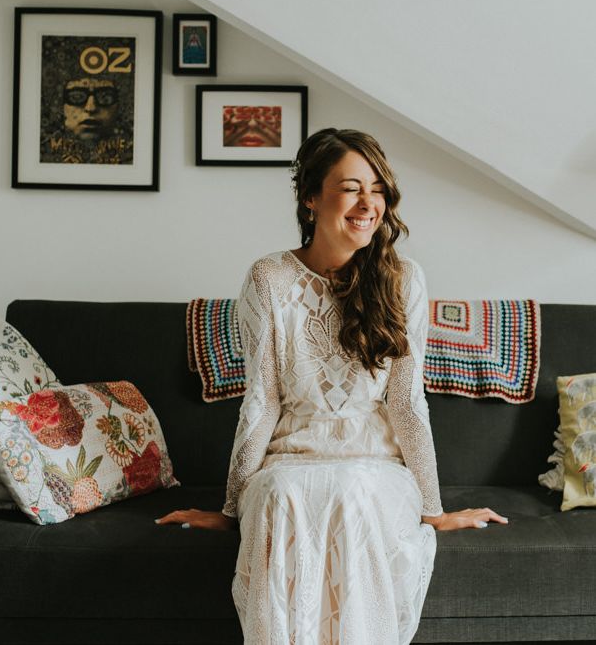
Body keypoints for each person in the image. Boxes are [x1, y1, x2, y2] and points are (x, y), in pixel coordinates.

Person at [156, 128, 508, 644]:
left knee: (351, 493)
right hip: (289, 457)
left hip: (374, 463)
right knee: (282, 494)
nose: (369, 203)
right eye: (351, 187)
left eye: (378, 189)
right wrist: (231, 510)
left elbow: (408, 403)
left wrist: (433, 510)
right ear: (311, 197)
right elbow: (262, 401)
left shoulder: (403, 279)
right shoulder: (268, 278)